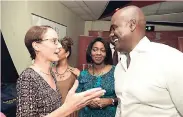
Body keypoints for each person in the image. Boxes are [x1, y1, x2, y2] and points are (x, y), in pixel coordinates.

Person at [16, 25, 106, 117]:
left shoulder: (51, 74)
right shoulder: (28, 77)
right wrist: (67, 108)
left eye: (58, 41)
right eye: (54, 41)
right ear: (36, 46)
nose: (59, 46)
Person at [110, 5, 183, 117]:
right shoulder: (120, 67)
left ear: (132, 25)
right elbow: (122, 107)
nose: (111, 34)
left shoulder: (170, 59)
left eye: (114, 28)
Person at [77, 37, 118, 117]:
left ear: (107, 53)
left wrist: (109, 101)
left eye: (102, 50)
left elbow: (125, 97)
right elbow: (77, 98)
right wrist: (88, 101)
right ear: (90, 52)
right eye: (95, 50)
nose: (98, 53)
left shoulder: (115, 71)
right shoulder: (83, 74)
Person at [52, 37, 80, 117]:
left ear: (67, 53)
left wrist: (81, 76)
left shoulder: (75, 72)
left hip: (69, 112)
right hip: (54, 112)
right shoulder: (49, 71)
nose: (56, 51)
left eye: (59, 50)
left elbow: (84, 91)